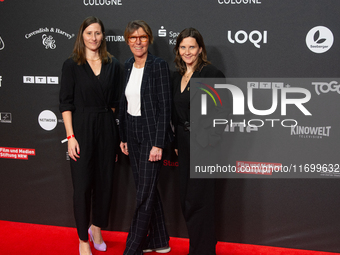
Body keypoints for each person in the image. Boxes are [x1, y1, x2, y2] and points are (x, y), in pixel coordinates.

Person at [59, 16, 121, 255]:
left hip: (106, 127)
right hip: (81, 128)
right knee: (83, 186)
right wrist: (71, 136)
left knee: (105, 183)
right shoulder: (71, 64)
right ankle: (83, 239)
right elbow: (65, 104)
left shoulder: (112, 64)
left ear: (102, 36)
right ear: (81, 36)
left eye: (97, 33)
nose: (93, 38)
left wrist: (111, 131)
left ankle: (97, 228)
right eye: (89, 33)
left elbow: (116, 102)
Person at [119, 20, 173, 255]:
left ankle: (133, 247)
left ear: (149, 39)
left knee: (144, 193)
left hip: (152, 134)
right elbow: (124, 103)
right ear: (127, 41)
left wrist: (158, 142)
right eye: (133, 38)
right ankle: (159, 240)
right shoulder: (128, 65)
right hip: (132, 131)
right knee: (146, 189)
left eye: (142, 37)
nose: (138, 42)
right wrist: (123, 137)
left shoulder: (158, 65)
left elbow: (165, 107)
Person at [172, 27, 225, 255]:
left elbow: (223, 112)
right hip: (184, 145)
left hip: (204, 146)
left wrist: (210, 142)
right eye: (183, 47)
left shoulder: (211, 73)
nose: (187, 51)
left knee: (199, 201)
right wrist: (175, 142)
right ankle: (202, 246)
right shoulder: (177, 75)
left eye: (191, 47)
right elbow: (176, 113)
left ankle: (201, 251)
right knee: (187, 199)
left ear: (200, 49)